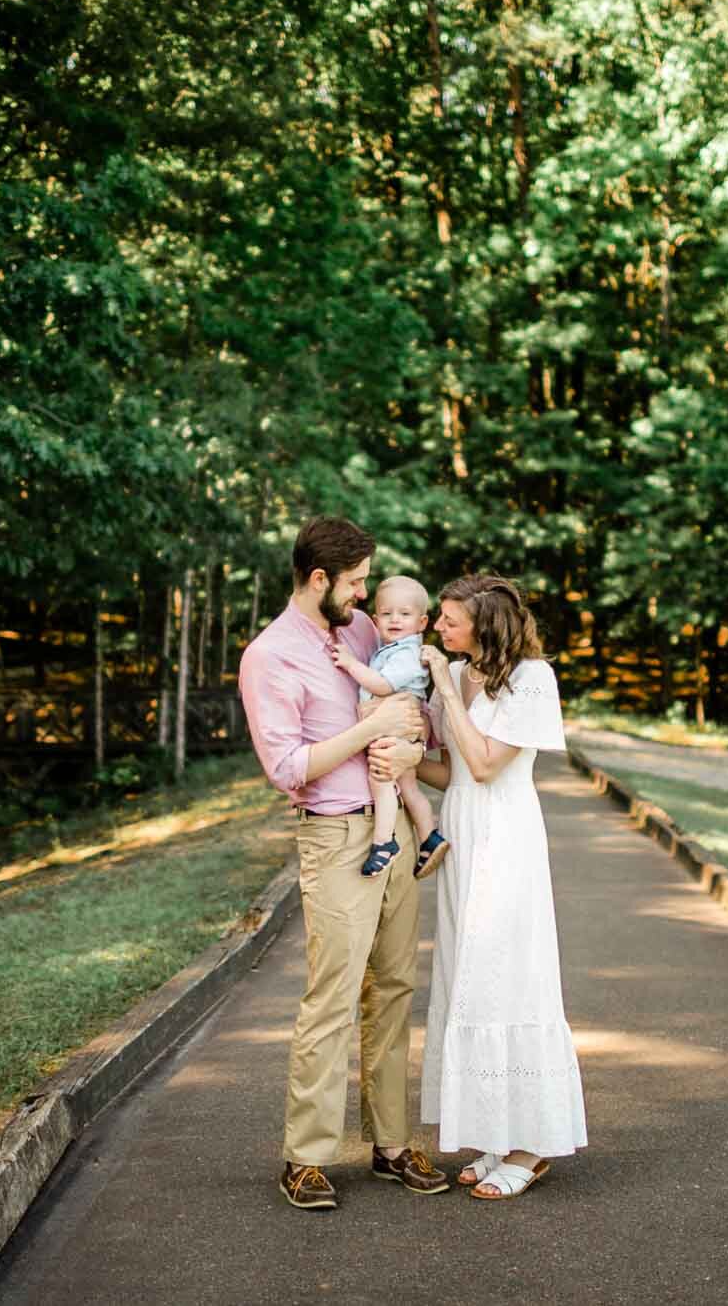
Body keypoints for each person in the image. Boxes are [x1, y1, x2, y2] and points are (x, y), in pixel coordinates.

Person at [237, 517, 452, 1211]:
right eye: (357, 581)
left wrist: (412, 746)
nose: (366, 595)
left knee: (393, 987)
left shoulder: (363, 632)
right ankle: (305, 1156)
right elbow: (287, 766)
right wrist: (370, 730)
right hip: (334, 839)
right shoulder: (269, 656)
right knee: (332, 995)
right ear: (320, 578)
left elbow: (409, 711)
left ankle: (392, 1143)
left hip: (391, 831)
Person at [414, 574, 588, 1200]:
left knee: (511, 974)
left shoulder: (533, 679)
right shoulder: (459, 676)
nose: (439, 628)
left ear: (485, 626)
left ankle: (532, 1145)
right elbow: (455, 772)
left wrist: (446, 695)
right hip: (464, 832)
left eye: (450, 621)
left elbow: (487, 764)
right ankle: (493, 1130)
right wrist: (405, 762)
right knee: (469, 977)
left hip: (508, 838)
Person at [329, 574, 449, 879]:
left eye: (405, 614)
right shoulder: (391, 649)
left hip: (395, 727)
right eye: (386, 613)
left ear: (422, 623)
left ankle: (384, 843)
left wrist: (350, 664)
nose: (395, 619)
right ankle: (429, 836)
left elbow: (383, 685)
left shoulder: (407, 653)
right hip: (397, 726)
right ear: (375, 618)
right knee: (407, 786)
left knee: (381, 780)